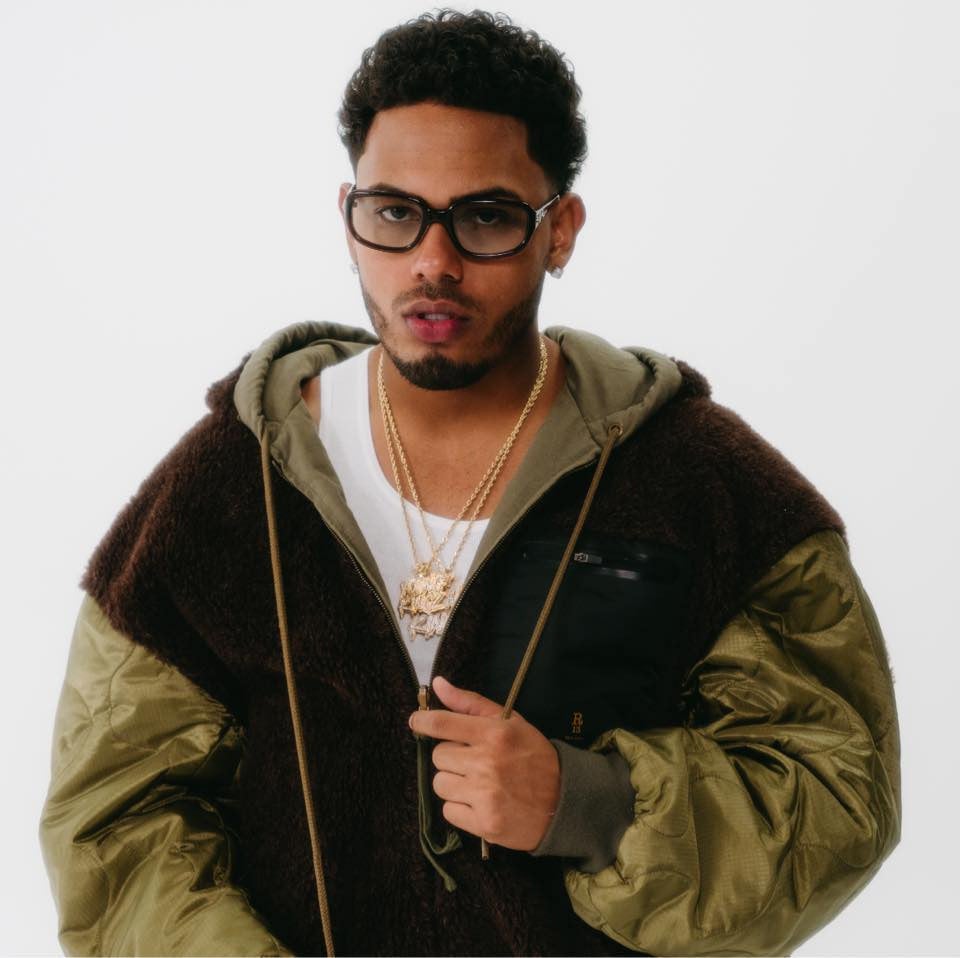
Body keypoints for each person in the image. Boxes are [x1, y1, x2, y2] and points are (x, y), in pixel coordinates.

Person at [39, 9, 900, 956]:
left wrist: (590, 804)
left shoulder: (701, 478)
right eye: (394, 213)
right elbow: (116, 818)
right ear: (349, 216)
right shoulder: (230, 481)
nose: (432, 262)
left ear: (559, 230)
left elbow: (839, 797)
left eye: (486, 216)